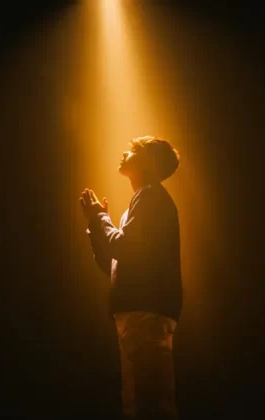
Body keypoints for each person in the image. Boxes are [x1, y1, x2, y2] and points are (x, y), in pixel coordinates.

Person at [79, 135, 183, 419]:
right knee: (142, 402)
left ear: (149, 163)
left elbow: (122, 249)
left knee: (148, 404)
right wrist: (96, 224)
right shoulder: (143, 202)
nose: (126, 151)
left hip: (145, 316)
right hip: (140, 315)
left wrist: (99, 220)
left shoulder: (150, 197)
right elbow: (114, 263)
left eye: (135, 149)